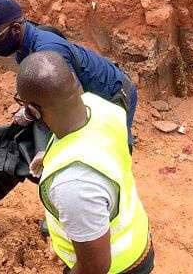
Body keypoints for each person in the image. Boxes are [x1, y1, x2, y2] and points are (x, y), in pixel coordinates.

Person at [16, 51, 154, 274]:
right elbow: (93, 145)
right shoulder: (99, 108)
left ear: (33, 111)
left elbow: (95, 267)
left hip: (120, 268)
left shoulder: (72, 186)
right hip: (137, 239)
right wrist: (50, 156)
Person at [0, 0, 137, 151]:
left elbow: (75, 105)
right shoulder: (25, 45)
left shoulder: (50, 52)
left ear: (15, 29)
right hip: (90, 90)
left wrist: (52, 150)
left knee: (108, 152)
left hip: (114, 95)